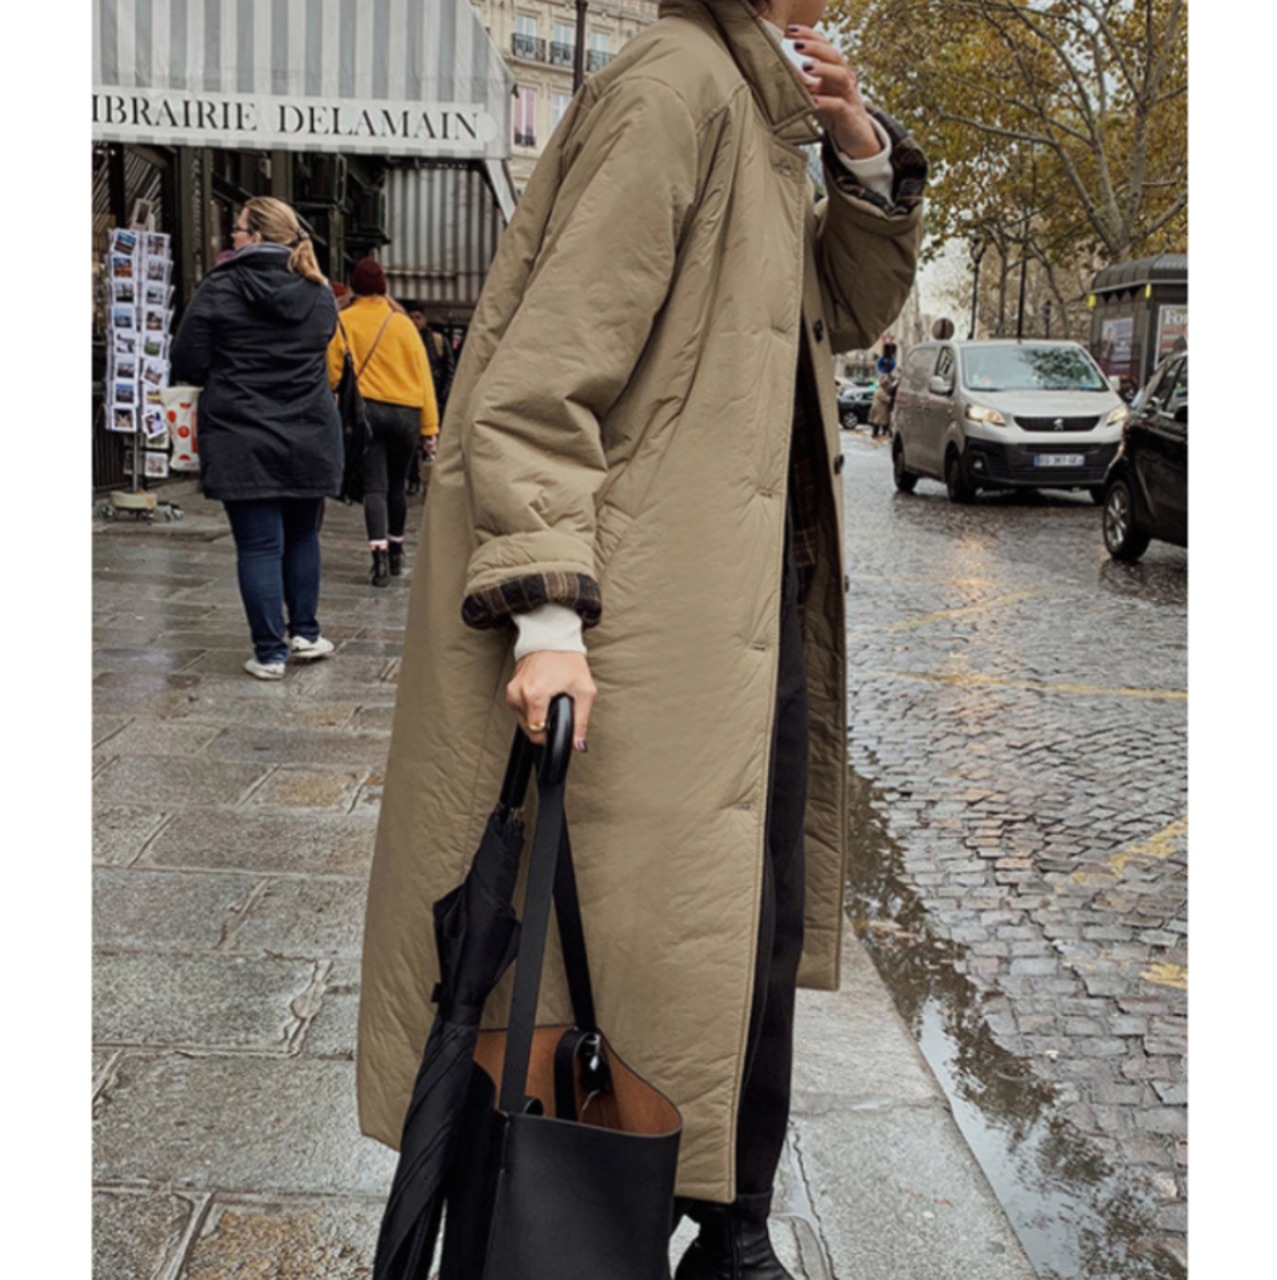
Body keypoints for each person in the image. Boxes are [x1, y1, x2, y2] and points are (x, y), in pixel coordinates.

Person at [357, 2, 924, 1276]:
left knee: (748, 928)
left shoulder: (759, 113)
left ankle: (729, 1219)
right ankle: (613, 1223)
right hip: (650, 613)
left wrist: (859, 152)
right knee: (629, 949)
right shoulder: (676, 90)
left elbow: (843, 307)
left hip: (745, 604)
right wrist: (546, 614)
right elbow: (534, 386)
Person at [171, 196, 341, 680]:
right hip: (308, 430)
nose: (233, 236)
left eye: (238, 229)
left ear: (258, 236)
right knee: (303, 535)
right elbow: (320, 345)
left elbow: (187, 360)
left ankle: (269, 653)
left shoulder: (220, 287)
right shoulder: (318, 291)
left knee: (259, 545)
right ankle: (305, 633)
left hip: (240, 432)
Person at [327, 260, 439, 586]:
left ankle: (377, 559)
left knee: (374, 486)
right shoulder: (403, 324)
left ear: (354, 287)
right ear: (384, 287)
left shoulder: (344, 321)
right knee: (397, 484)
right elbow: (424, 378)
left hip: (369, 412)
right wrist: (430, 429)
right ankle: (397, 550)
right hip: (407, 413)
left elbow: (332, 373)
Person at [868, 369, 898, 438]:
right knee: (880, 422)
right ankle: (878, 434)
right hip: (880, 410)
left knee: (881, 422)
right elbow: (887, 399)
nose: (887, 387)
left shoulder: (880, 390)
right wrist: (894, 398)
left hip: (879, 409)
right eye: (886, 385)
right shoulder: (880, 391)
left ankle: (881, 434)